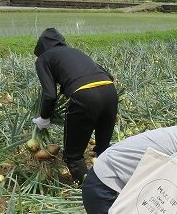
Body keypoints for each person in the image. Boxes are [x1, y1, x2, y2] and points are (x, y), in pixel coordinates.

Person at [31, 28, 119, 184]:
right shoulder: (75, 52)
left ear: (41, 46)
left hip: (85, 96)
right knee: (103, 148)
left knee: (73, 155)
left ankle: (85, 190)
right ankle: (110, 184)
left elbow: (50, 94)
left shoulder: (44, 58)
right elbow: (109, 76)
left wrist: (44, 117)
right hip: (110, 92)